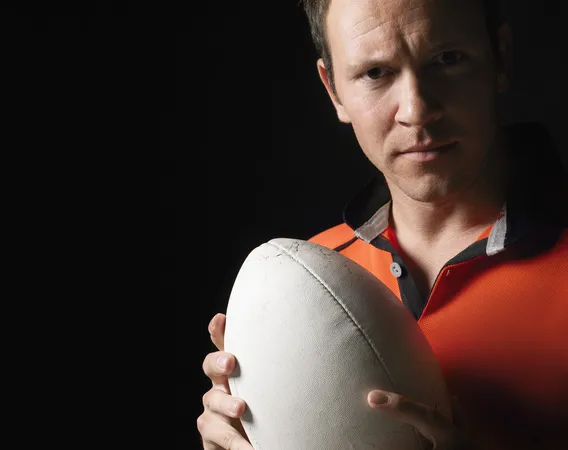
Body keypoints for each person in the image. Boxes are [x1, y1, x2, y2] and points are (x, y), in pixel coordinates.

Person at [198, 0, 568, 448]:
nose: (416, 109)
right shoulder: (308, 284)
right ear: (334, 90)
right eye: (375, 73)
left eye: (446, 60)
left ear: (500, 58)